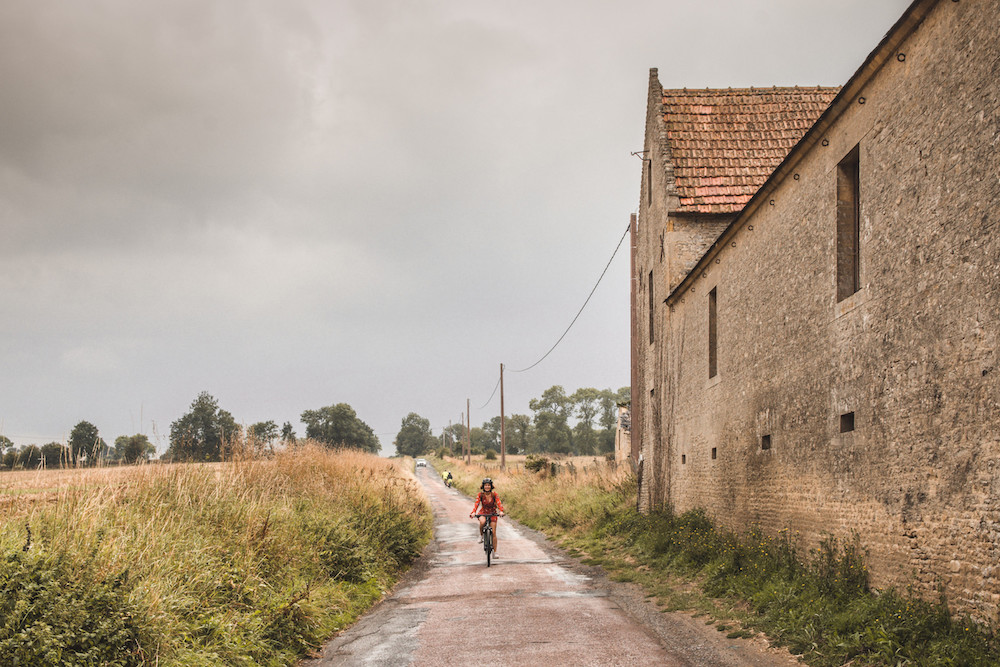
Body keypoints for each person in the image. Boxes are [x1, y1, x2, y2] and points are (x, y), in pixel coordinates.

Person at [470, 477, 504, 556]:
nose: (487, 487)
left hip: (492, 513)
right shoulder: (480, 495)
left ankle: (495, 552)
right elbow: (476, 503)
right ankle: (481, 535)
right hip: (483, 512)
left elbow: (499, 503)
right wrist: (473, 512)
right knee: (483, 521)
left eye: (488, 485)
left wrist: (501, 511)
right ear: (483, 486)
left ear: (491, 486)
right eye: (485, 485)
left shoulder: (494, 494)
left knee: (494, 533)